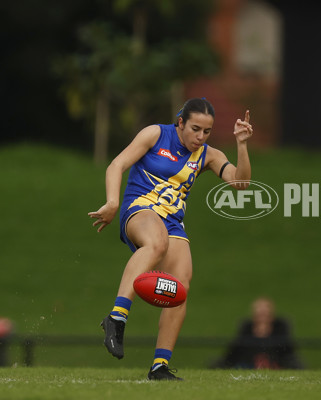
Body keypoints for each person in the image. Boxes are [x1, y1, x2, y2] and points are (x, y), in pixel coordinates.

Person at [88, 98, 253, 380]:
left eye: (207, 131)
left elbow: (241, 183)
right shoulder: (155, 134)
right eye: (195, 129)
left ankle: (159, 366)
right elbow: (116, 164)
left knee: (180, 287)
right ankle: (116, 318)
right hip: (140, 209)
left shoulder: (208, 155)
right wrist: (112, 203)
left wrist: (241, 144)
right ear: (180, 123)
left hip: (172, 221)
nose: (200, 137)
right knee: (157, 242)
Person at [212, 297, 303, 369]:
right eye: (260, 313)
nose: (262, 316)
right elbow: (234, 350)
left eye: (265, 313)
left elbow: (288, 351)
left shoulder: (280, 328)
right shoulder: (246, 328)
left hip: (277, 363)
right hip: (246, 364)